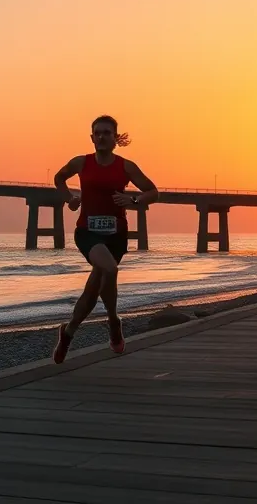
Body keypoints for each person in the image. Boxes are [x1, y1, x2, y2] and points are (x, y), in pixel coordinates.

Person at [50, 115, 158, 364]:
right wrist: (69, 199)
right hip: (87, 232)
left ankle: (67, 333)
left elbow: (153, 192)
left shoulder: (126, 167)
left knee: (93, 288)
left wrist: (133, 201)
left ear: (115, 138)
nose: (101, 136)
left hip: (116, 235)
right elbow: (59, 178)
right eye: (97, 133)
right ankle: (113, 321)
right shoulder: (81, 163)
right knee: (109, 268)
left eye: (106, 133)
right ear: (91, 138)